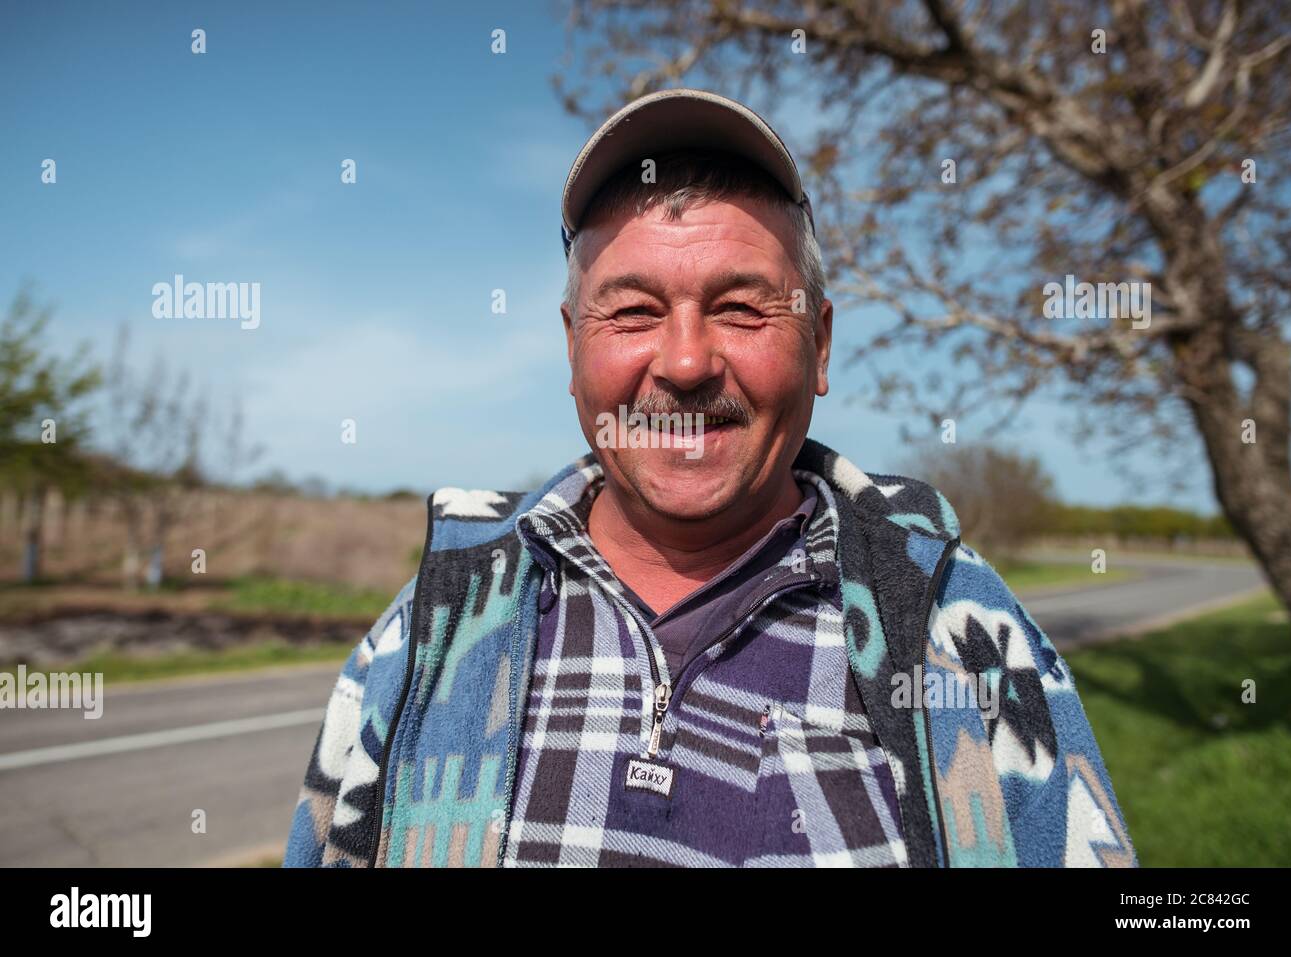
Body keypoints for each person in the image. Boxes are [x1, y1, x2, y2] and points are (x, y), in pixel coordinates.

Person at [284, 89, 1136, 868]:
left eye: (740, 307)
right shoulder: (432, 624)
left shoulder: (952, 620)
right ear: (572, 348)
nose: (686, 362)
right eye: (633, 312)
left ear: (821, 345)